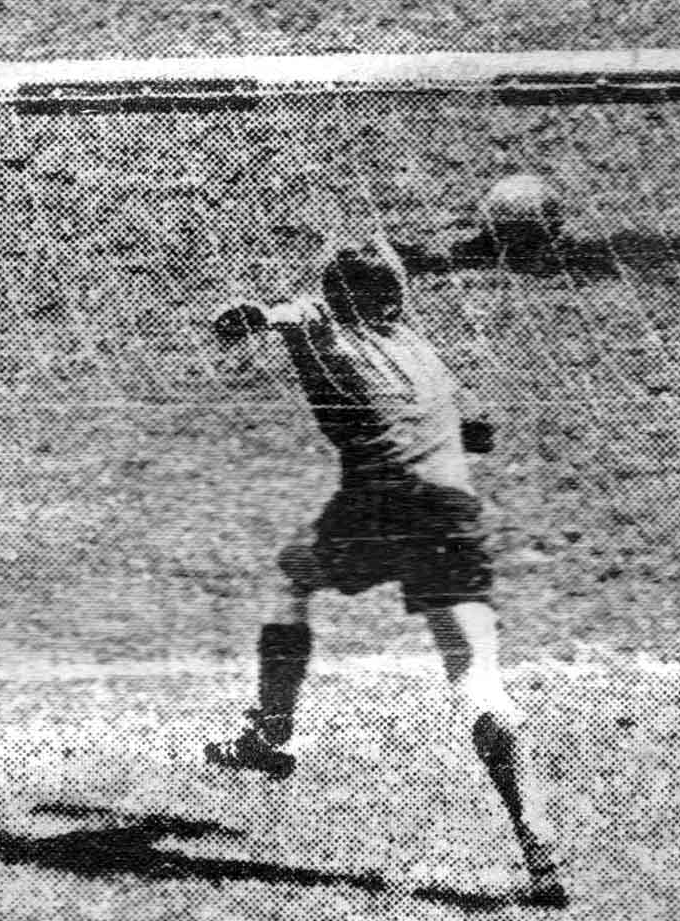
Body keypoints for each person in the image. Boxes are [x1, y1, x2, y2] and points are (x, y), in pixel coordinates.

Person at [205, 241, 567, 907]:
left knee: (291, 576)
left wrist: (259, 316)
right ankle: (539, 845)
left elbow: (296, 318)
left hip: (377, 504)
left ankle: (271, 735)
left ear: (336, 295)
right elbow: (477, 430)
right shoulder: (422, 352)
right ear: (395, 295)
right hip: (452, 516)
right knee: (476, 679)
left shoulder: (330, 340)